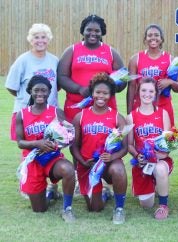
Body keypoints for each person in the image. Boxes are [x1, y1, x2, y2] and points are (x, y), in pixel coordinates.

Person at [5, 23, 61, 201]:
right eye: (36, 37)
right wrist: (27, 101)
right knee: (28, 149)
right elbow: (11, 86)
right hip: (27, 113)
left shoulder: (54, 60)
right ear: (31, 39)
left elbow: (55, 87)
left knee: (53, 147)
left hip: (49, 115)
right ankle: (27, 180)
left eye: (43, 37)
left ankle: (53, 186)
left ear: (48, 39)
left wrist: (45, 103)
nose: (40, 40)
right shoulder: (23, 60)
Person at [15, 75, 76, 222]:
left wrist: (61, 141)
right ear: (30, 91)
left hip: (52, 159)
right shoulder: (21, 114)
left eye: (44, 90)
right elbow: (20, 142)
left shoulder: (56, 112)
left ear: (49, 92)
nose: (40, 94)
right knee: (39, 209)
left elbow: (69, 134)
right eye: (36, 90)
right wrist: (37, 144)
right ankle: (50, 194)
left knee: (68, 170)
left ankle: (67, 209)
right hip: (33, 160)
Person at [71, 73, 128, 225]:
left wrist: (113, 157)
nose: (101, 96)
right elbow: (74, 146)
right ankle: (103, 193)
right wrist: (82, 161)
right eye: (98, 92)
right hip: (89, 165)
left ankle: (120, 209)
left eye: (105, 93)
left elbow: (125, 148)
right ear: (92, 93)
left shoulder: (117, 117)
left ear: (111, 95)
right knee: (94, 208)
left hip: (108, 164)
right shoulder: (80, 116)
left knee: (119, 170)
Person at [57, 14, 125, 123]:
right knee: (74, 138)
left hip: (104, 105)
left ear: (102, 32)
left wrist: (108, 89)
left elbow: (123, 79)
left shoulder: (111, 52)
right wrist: (79, 89)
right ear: (82, 31)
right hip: (76, 106)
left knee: (102, 137)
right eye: (88, 30)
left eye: (97, 31)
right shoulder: (72, 50)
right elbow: (61, 76)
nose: (93, 33)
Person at [126, 77, 172, 220]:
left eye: (151, 91)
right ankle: (156, 184)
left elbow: (169, 141)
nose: (147, 94)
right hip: (143, 163)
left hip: (160, 160)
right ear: (138, 92)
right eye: (144, 90)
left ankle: (164, 205)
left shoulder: (163, 113)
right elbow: (129, 145)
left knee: (159, 169)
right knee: (146, 204)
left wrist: (161, 155)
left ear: (156, 93)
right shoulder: (131, 116)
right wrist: (137, 156)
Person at [126, 24, 178, 126]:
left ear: (161, 39)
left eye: (156, 35)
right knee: (140, 138)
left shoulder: (170, 59)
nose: (153, 38)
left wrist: (170, 82)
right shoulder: (135, 59)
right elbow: (131, 87)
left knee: (168, 139)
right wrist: (129, 113)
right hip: (141, 105)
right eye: (150, 35)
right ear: (145, 39)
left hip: (164, 105)